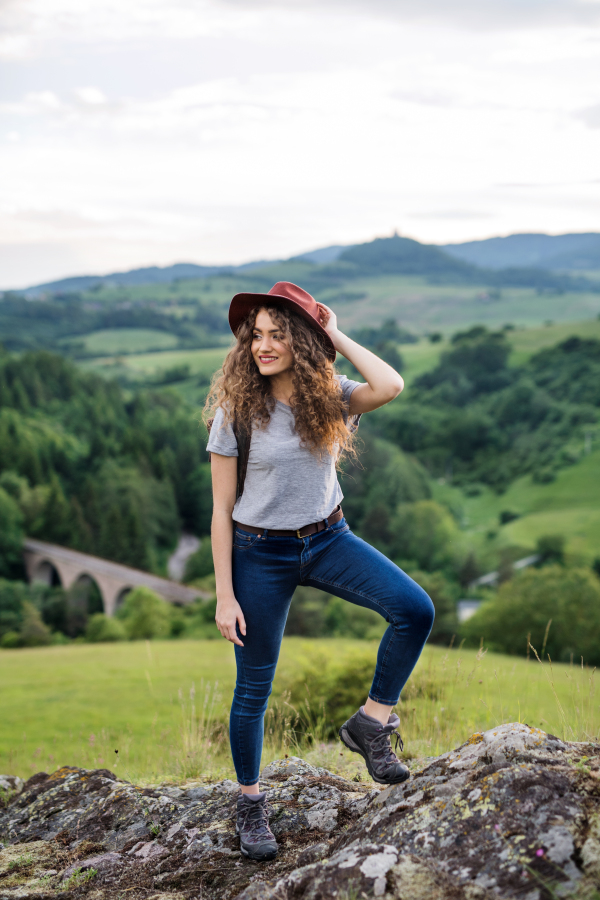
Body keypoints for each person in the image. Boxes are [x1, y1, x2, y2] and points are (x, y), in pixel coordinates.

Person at [205, 282, 434, 861]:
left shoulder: (329, 394)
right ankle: (251, 803)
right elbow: (220, 512)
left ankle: (371, 724)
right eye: (255, 335)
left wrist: (333, 332)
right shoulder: (237, 411)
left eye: (278, 334)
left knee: (414, 610)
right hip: (259, 552)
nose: (263, 345)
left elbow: (391, 385)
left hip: (329, 539)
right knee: (253, 689)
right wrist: (225, 595)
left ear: (303, 340)